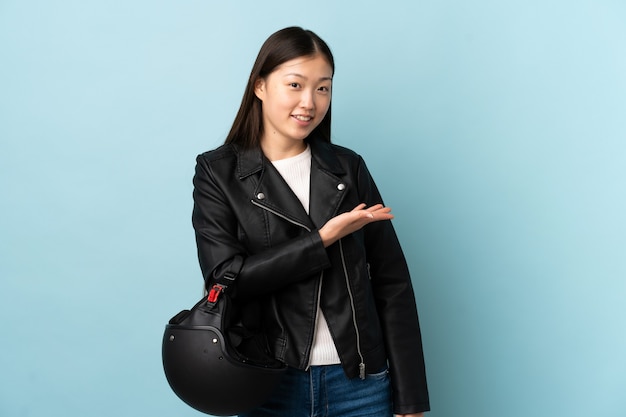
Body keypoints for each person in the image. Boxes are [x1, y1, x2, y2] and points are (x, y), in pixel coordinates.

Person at [192, 26, 430, 417]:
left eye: (323, 88)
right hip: (267, 381)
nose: (309, 102)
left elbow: (393, 283)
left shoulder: (348, 168)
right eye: (295, 85)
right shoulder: (218, 173)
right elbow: (226, 279)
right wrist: (321, 240)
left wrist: (410, 396)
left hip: (361, 384)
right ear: (260, 86)